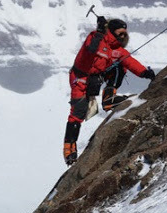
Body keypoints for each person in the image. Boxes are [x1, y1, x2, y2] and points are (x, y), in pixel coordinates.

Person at [63, 17, 155, 166]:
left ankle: (108, 99)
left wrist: (146, 73)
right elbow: (90, 49)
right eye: (120, 32)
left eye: (125, 33)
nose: (124, 35)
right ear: (111, 31)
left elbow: (131, 62)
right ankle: (69, 149)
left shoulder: (117, 50)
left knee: (120, 66)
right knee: (78, 112)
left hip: (95, 78)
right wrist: (99, 32)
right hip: (80, 78)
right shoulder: (96, 38)